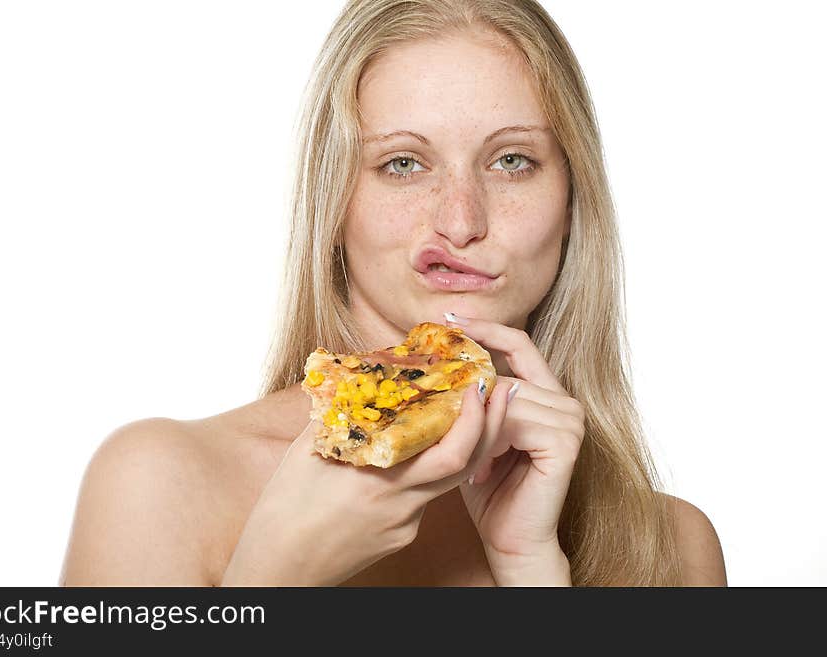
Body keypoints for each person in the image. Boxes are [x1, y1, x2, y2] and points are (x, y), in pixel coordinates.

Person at [60, 0, 726, 586]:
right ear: (335, 203)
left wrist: (531, 571)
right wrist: (272, 579)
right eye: (403, 163)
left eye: (512, 159)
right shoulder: (159, 487)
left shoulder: (672, 549)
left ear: (574, 198)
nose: (461, 220)